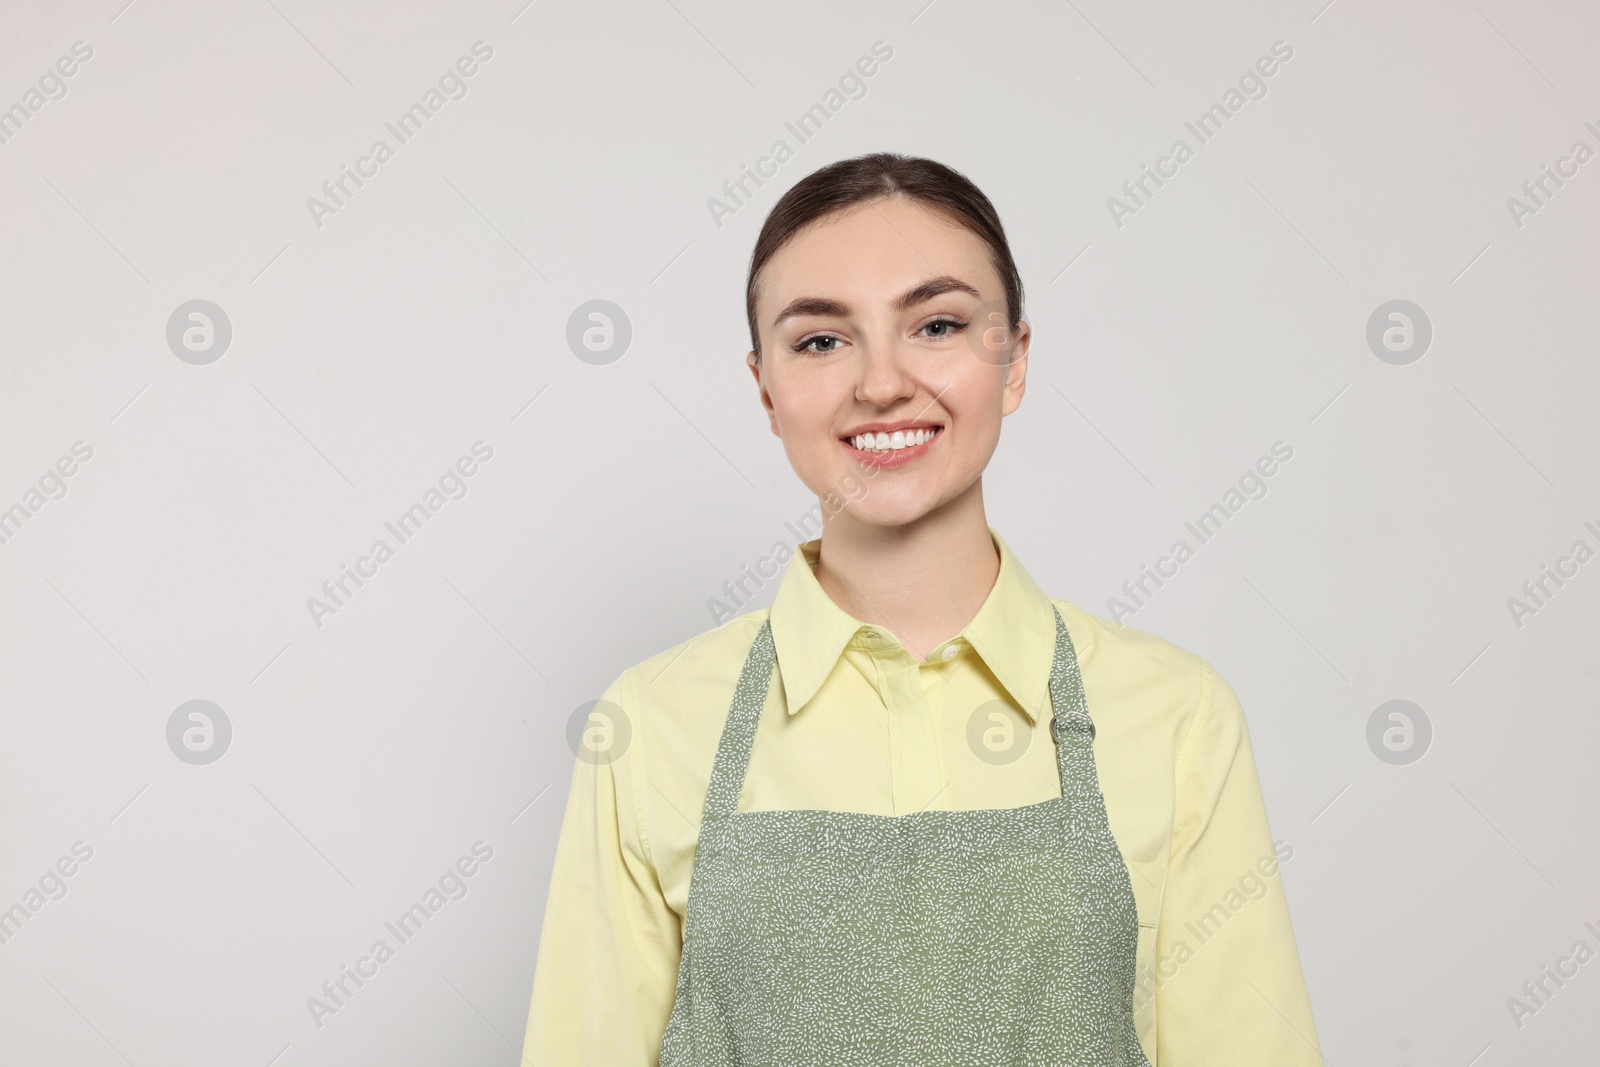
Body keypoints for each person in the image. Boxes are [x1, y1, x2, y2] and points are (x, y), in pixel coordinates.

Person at [521, 152, 1323, 1064]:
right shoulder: (651, 724)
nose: (881, 383)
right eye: (821, 340)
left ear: (1014, 362)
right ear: (766, 391)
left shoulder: (1177, 715)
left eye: (936, 325)